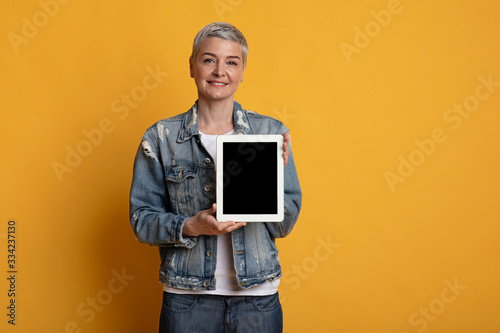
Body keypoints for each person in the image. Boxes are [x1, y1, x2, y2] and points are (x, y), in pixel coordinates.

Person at [129, 22, 302, 333]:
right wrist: (191, 226)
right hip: (187, 301)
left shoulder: (270, 134)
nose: (220, 71)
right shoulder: (160, 137)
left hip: (257, 301)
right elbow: (141, 221)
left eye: (231, 62)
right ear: (192, 65)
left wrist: (270, 180)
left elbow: (284, 225)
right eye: (209, 59)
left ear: (243, 70)